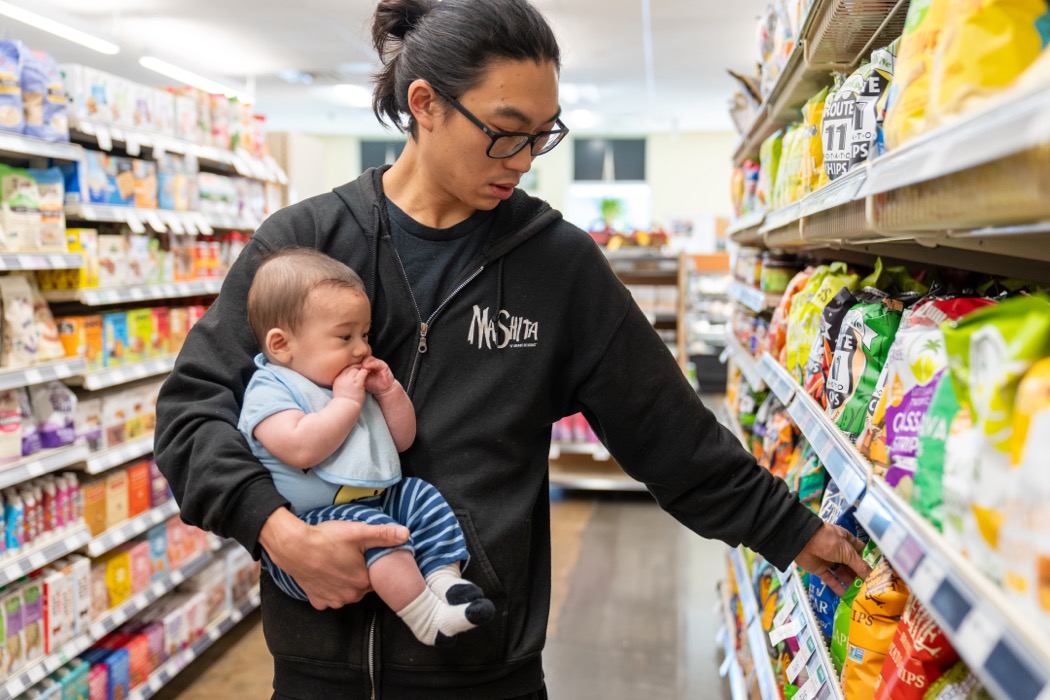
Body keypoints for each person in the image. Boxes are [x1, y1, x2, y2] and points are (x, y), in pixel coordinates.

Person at [155, 0, 871, 697]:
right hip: (317, 667)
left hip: (484, 670)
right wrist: (275, 531)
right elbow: (192, 410)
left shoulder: (556, 265)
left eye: (542, 134)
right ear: (425, 104)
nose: (525, 159)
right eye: (505, 132)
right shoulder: (304, 245)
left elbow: (665, 429)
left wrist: (789, 529)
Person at [239, 248, 495, 647]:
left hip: (372, 502)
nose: (361, 349)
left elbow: (401, 439)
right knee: (382, 533)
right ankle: (426, 620)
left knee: (419, 496)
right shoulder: (271, 389)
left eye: (365, 335)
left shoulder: (345, 383)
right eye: (345, 336)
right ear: (281, 344)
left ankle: (445, 581)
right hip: (310, 532)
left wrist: (390, 392)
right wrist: (345, 404)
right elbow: (300, 449)